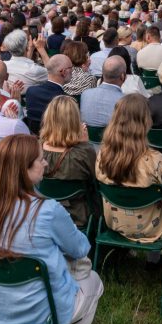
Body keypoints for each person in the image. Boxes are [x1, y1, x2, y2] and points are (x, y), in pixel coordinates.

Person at [0, 134, 102, 324]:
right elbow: (81, 248)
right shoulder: (47, 211)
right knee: (93, 281)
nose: (46, 163)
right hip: (42, 315)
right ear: (24, 170)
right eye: (40, 159)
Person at [95, 94, 162, 249]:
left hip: (116, 223)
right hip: (152, 229)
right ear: (145, 121)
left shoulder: (102, 156)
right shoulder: (156, 161)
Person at [40, 96, 97, 229]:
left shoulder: (36, 149)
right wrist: (86, 144)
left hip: (43, 211)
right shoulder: (83, 153)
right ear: (75, 120)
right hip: (77, 215)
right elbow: (95, 180)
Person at [24, 54, 72, 132]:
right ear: (63, 72)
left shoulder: (31, 91)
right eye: (71, 68)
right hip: (55, 140)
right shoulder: (66, 100)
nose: (72, 70)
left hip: (34, 138)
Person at [79, 55, 126, 127]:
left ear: (103, 74)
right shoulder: (125, 101)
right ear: (122, 76)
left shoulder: (85, 94)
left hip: (88, 137)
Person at [3, 29, 50, 95]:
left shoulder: (3, 66)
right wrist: (41, 48)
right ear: (26, 46)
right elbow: (53, 74)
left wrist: (30, 49)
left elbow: (22, 64)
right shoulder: (35, 70)